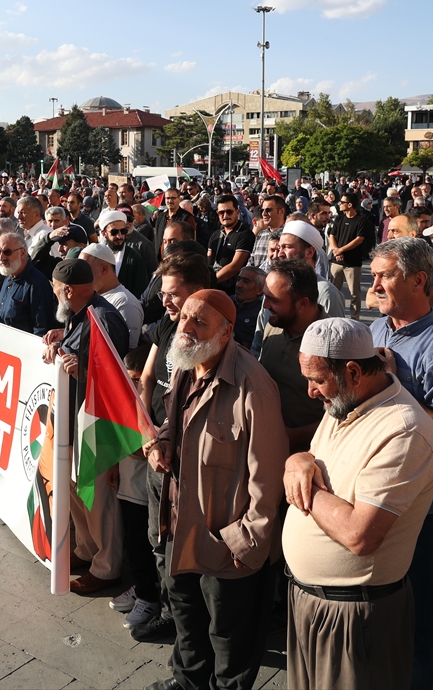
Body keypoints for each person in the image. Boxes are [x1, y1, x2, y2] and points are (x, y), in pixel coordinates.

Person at [284, 318, 433, 690]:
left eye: (317, 380)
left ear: (353, 371)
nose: (310, 392)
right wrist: (298, 462)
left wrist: (300, 487)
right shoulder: (343, 403)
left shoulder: (403, 431)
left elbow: (359, 535)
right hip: (313, 602)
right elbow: (317, 458)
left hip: (354, 616)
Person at [144, 290, 288, 690]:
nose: (185, 329)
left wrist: (244, 543)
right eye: (185, 317)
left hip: (226, 540)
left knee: (231, 639)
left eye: (199, 323)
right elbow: (174, 419)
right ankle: (188, 681)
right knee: (186, 614)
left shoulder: (252, 386)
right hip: (180, 525)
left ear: (226, 334)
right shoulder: (185, 363)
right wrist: (164, 441)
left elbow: (268, 476)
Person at [367, 237, 433, 689]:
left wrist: (390, 382)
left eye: (383, 276)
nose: (373, 285)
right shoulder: (374, 332)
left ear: (417, 280)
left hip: (416, 506)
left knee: (410, 623)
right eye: (372, 275)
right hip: (367, 494)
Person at [134, 251, 213, 643]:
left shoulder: (213, 336)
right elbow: (148, 377)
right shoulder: (167, 327)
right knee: (157, 541)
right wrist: (148, 434)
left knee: (181, 546)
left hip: (182, 461)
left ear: (198, 292)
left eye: (173, 294)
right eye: (163, 294)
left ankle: (190, 628)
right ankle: (170, 613)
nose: (164, 301)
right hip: (155, 449)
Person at [40, 258, 130, 595]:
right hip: (74, 418)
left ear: (66, 290)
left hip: (97, 423)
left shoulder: (103, 318)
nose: (52, 293)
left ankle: (107, 567)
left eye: (54, 288)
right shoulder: (81, 315)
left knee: (96, 499)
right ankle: (87, 550)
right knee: (76, 488)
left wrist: (85, 370)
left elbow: (119, 374)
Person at [258, 259, 328, 452]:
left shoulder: (332, 344)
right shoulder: (274, 325)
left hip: (308, 456)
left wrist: (295, 436)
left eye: (274, 300)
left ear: (302, 304)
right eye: (265, 297)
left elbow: (345, 414)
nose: (265, 305)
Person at [0, 231, 56, 336]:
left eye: (7, 252)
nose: (1, 258)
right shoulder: (8, 277)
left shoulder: (37, 284)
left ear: (22, 253)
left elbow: (41, 329)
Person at [80, 242, 142, 350]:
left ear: (104, 269)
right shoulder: (92, 297)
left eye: (84, 270)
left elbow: (126, 353)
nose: (80, 276)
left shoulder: (125, 303)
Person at [329, 193, 374, 320]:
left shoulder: (361, 220)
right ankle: (334, 317)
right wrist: (336, 250)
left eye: (342, 202)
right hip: (336, 262)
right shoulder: (339, 219)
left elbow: (359, 239)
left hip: (353, 263)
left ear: (350, 205)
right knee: (333, 292)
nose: (339, 204)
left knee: (355, 294)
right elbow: (332, 235)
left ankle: (355, 320)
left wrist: (341, 250)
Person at [207, 194, 254, 295]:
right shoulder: (215, 234)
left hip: (233, 292)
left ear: (237, 212)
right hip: (212, 288)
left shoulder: (245, 234)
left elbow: (235, 266)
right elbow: (208, 261)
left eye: (229, 211)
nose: (225, 216)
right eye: (221, 212)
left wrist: (210, 281)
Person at [97, 210, 150, 298]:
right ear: (104, 233)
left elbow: (141, 295)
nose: (119, 236)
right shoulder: (97, 256)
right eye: (114, 232)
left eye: (123, 231)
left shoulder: (135, 260)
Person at [230, 266, 264, 349]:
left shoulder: (261, 312)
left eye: (246, 281)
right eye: (238, 279)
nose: (238, 285)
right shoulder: (225, 301)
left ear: (259, 290)